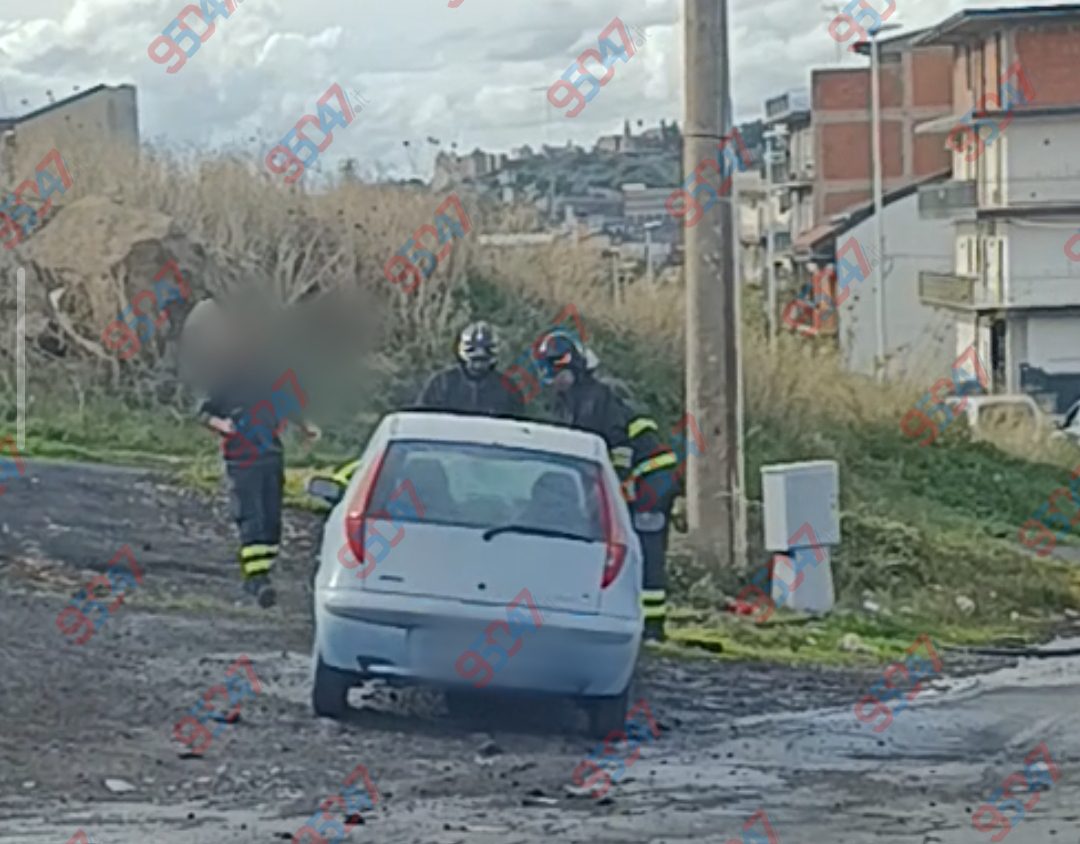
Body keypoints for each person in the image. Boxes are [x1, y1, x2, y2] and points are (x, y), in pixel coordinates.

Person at [536, 330, 679, 642]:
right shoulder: (572, 400)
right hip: (638, 480)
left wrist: (613, 491)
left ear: (571, 367)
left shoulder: (597, 397)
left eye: (556, 372)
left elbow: (619, 447)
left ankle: (653, 629)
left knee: (646, 549)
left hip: (652, 480)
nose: (552, 380)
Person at [179, 297, 320, 609]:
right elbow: (203, 412)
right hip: (241, 457)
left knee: (271, 519)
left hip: (271, 453)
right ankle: (255, 581)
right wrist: (224, 425)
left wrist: (306, 426)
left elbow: (289, 404)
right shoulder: (225, 378)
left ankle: (264, 573)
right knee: (252, 516)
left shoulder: (268, 375)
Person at [414, 321, 526, 418]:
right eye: (475, 359)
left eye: (483, 360)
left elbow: (517, 428)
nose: (478, 366)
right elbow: (423, 422)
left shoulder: (508, 389)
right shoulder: (440, 384)